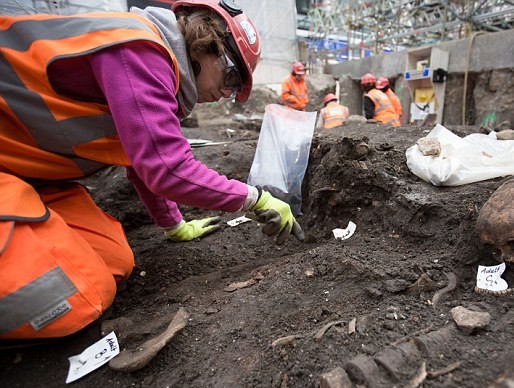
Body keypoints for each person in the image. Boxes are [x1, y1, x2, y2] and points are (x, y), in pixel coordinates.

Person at [0, 0, 304, 340]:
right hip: (12, 169)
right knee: (80, 296)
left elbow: (141, 162)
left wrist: (174, 226)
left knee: (116, 262)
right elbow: (167, 169)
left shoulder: (154, 64)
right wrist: (255, 198)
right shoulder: (140, 51)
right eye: (232, 76)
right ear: (207, 45)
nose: (227, 93)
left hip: (31, 174)